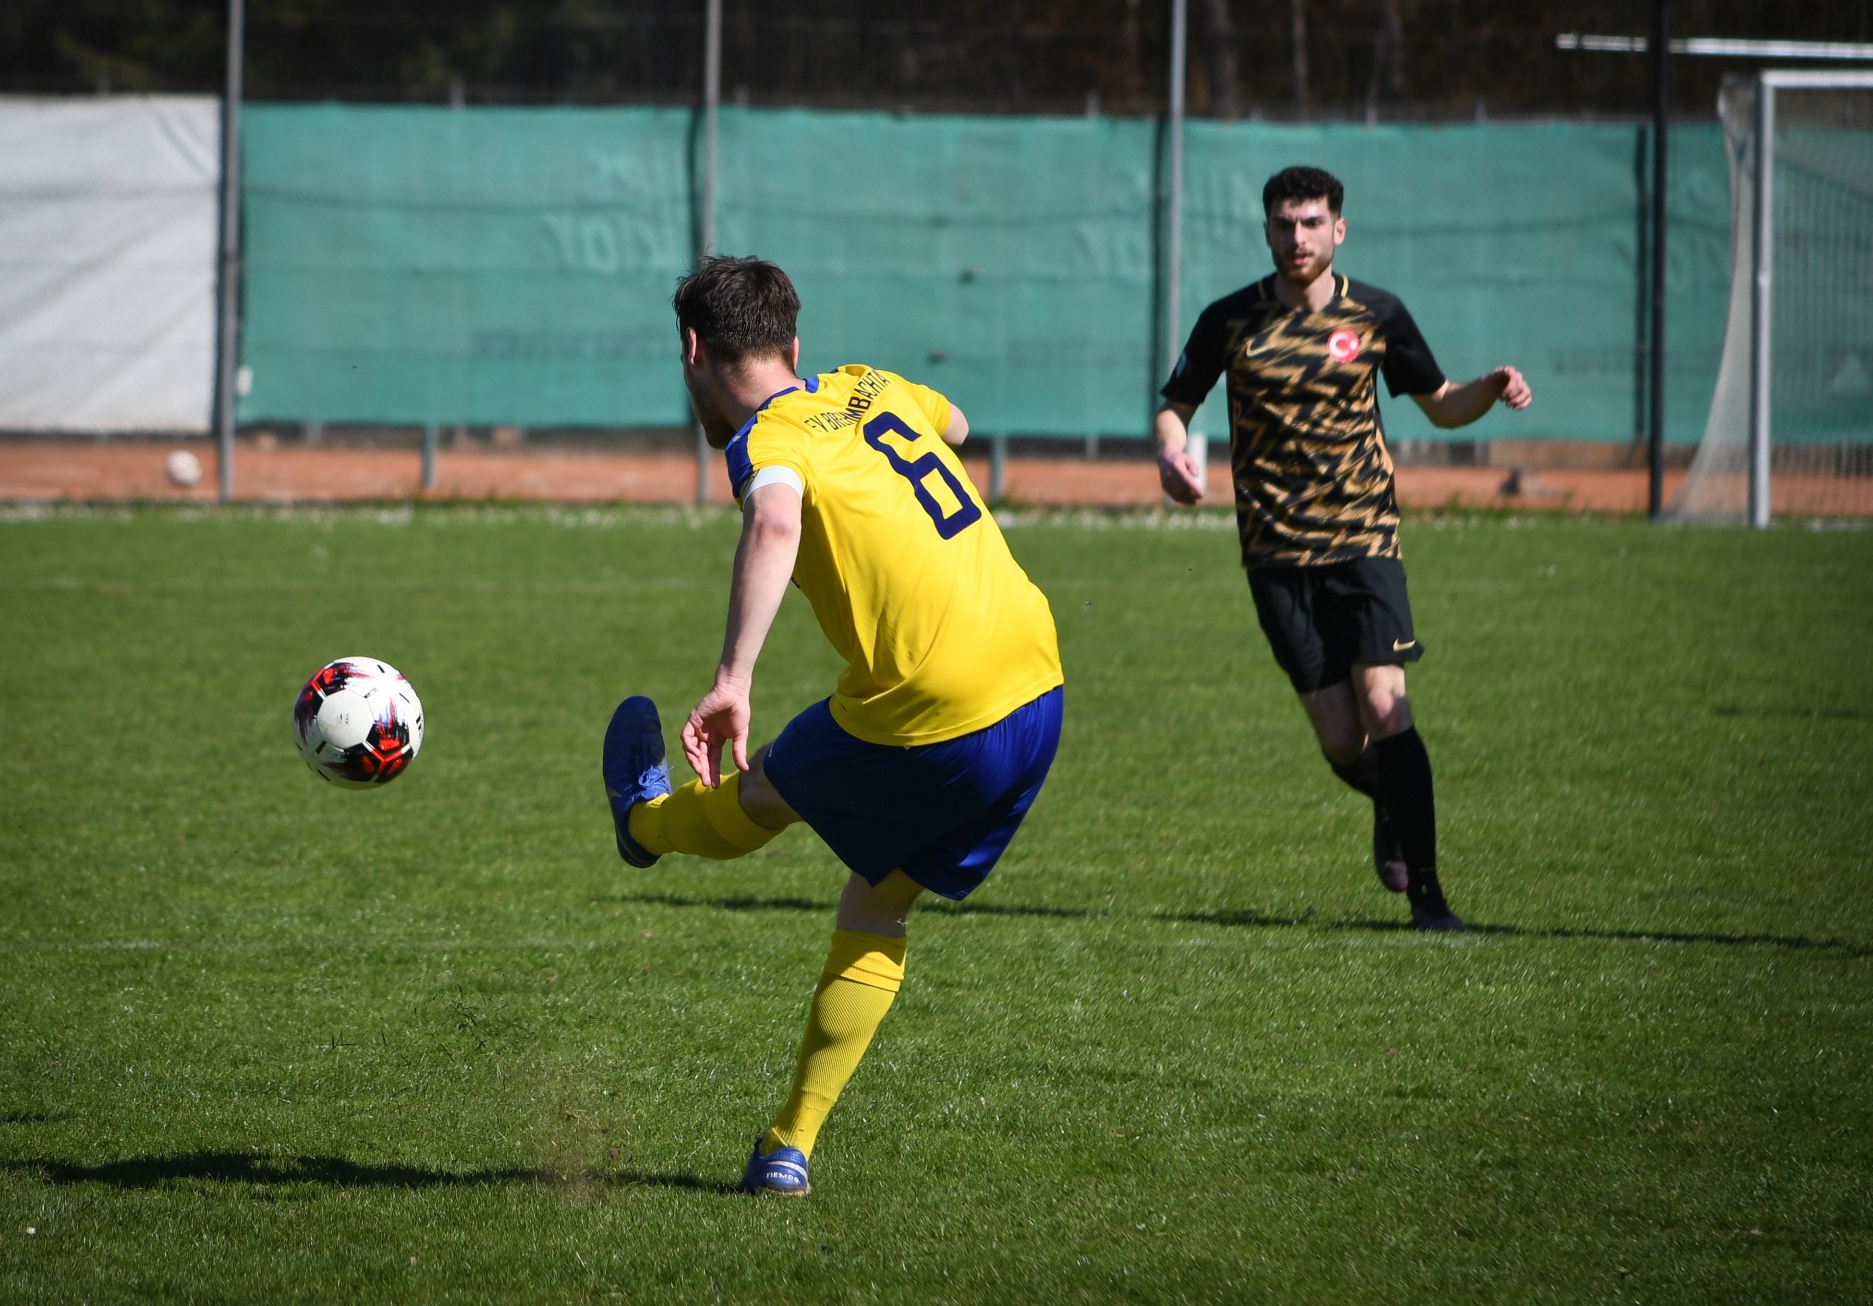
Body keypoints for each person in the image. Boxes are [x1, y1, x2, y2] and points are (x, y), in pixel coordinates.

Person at [602, 254, 1065, 1195]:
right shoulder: (868, 384)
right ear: (795, 344)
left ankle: (644, 824)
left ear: (693, 348)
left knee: (765, 789)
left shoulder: (766, 439)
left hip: (928, 706)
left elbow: (774, 524)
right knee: (876, 899)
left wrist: (733, 677)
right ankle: (786, 1148)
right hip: (1037, 681)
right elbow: (957, 423)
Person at [1152, 165, 1531, 933]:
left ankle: (1430, 898)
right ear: (1267, 232)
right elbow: (1176, 404)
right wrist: (1172, 454)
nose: (1299, 238)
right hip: (1274, 551)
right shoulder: (1230, 320)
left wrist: (1488, 388)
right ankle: (1389, 799)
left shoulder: (1378, 314)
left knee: (1387, 703)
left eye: (1312, 223)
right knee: (1339, 737)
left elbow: (1442, 402)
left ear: (1338, 229)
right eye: (1285, 225)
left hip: (1364, 540)